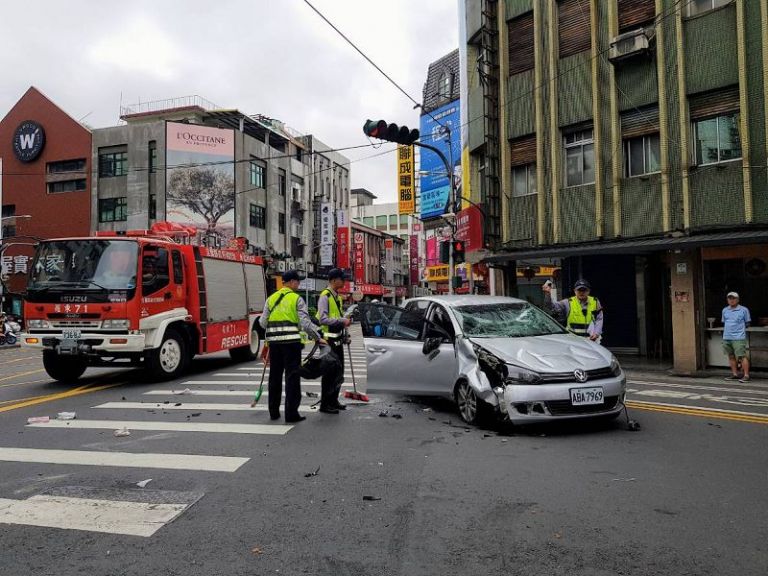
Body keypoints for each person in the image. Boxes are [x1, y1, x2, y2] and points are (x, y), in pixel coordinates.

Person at [259, 270, 326, 423]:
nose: (299, 284)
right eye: (298, 281)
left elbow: (263, 323)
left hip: (275, 345)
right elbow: (305, 323)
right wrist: (318, 337)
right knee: (292, 378)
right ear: (291, 282)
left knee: (274, 378)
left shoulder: (271, 299)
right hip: (291, 344)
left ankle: (274, 412)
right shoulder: (297, 299)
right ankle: (291, 414)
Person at [316, 268, 352, 414]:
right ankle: (325, 404)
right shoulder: (325, 296)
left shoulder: (337, 296)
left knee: (338, 371)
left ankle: (334, 400)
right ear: (333, 280)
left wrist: (345, 334)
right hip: (327, 341)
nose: (343, 281)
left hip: (337, 340)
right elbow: (322, 319)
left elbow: (339, 317)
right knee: (329, 372)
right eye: (341, 279)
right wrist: (342, 321)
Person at [722, 291, 751, 383]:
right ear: (727, 300)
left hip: (739, 337)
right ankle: (735, 374)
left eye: (733, 298)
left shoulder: (744, 310)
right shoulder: (725, 310)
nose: (731, 300)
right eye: (729, 298)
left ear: (738, 300)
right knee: (731, 356)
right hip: (727, 336)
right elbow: (724, 322)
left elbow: (747, 323)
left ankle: (746, 375)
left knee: (742, 356)